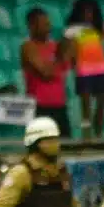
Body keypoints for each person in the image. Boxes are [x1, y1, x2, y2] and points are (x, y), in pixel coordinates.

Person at [63, 0, 104, 140]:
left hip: (101, 69)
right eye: (85, 11)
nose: (88, 14)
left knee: (102, 104)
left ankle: (99, 132)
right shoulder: (71, 30)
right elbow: (69, 50)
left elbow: (102, 41)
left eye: (91, 11)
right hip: (84, 70)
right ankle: (87, 135)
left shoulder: (100, 27)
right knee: (86, 106)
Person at [22, 8, 72, 137]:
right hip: (40, 107)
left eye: (48, 24)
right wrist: (60, 55)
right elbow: (45, 72)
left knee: (66, 149)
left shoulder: (55, 46)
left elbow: (67, 68)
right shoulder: (28, 47)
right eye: (44, 25)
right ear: (32, 26)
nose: (48, 28)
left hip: (60, 106)